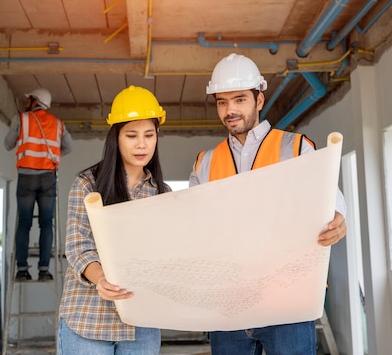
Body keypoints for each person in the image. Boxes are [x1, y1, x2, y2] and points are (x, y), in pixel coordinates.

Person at [189, 53, 347, 355]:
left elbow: (330, 200)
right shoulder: (205, 163)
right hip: (229, 305)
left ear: (259, 100)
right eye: (222, 102)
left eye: (239, 99)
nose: (230, 110)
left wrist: (338, 218)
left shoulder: (296, 147)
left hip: (287, 299)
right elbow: (196, 227)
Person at [57, 85, 170, 355]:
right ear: (116, 138)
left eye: (149, 135)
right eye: (131, 135)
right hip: (88, 319)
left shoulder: (162, 195)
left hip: (142, 324)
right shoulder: (87, 184)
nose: (141, 144)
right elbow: (78, 247)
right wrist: (101, 280)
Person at [4, 88, 73, 281]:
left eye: (29, 99)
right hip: (48, 178)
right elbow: (69, 147)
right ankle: (44, 270)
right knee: (46, 224)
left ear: (35, 101)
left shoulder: (22, 119)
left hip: (26, 177)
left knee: (24, 224)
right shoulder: (58, 124)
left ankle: (22, 270)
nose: (26, 102)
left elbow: (7, 143)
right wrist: (51, 155)